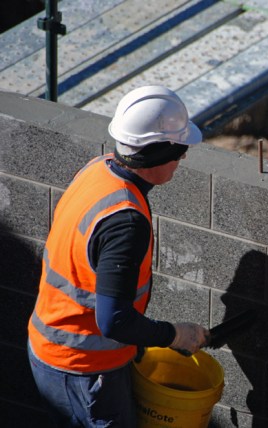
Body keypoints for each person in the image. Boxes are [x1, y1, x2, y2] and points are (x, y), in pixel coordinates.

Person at [27, 85, 210, 427]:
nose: (182, 158)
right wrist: (174, 335)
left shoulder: (100, 169)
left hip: (53, 347)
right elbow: (114, 321)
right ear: (155, 153)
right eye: (179, 150)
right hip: (82, 369)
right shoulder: (125, 221)